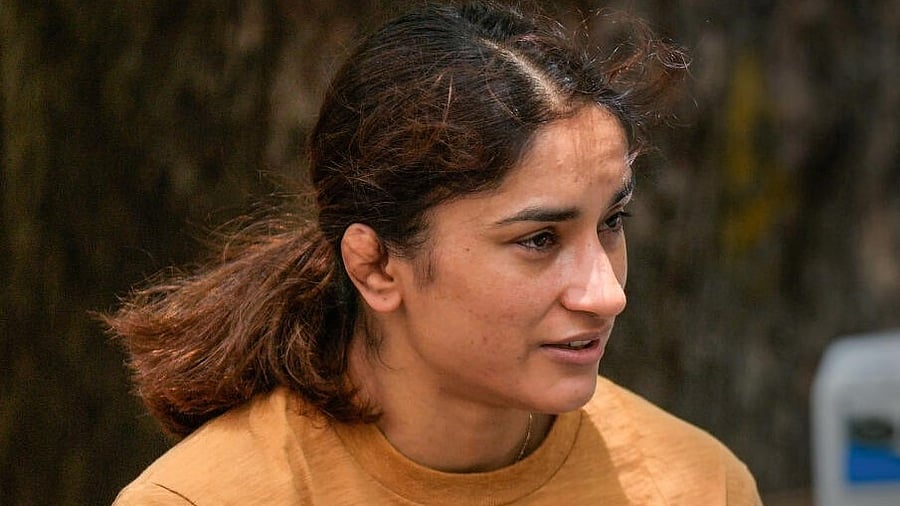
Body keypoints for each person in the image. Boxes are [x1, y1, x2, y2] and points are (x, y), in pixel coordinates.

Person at [107, 1, 762, 504]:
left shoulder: (697, 485)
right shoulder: (203, 497)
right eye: (539, 240)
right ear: (376, 266)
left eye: (612, 222)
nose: (606, 293)